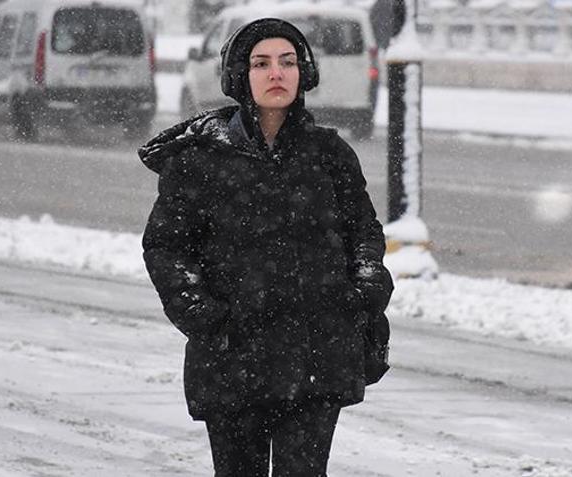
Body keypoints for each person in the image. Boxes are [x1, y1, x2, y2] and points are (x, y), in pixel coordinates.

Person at [138, 18, 394, 476]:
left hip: (316, 356)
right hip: (234, 359)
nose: (277, 73)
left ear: (304, 73)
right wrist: (206, 317)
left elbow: (364, 235)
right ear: (240, 75)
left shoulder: (329, 155)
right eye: (262, 63)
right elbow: (166, 248)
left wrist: (361, 294)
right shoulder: (200, 161)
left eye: (288, 62)